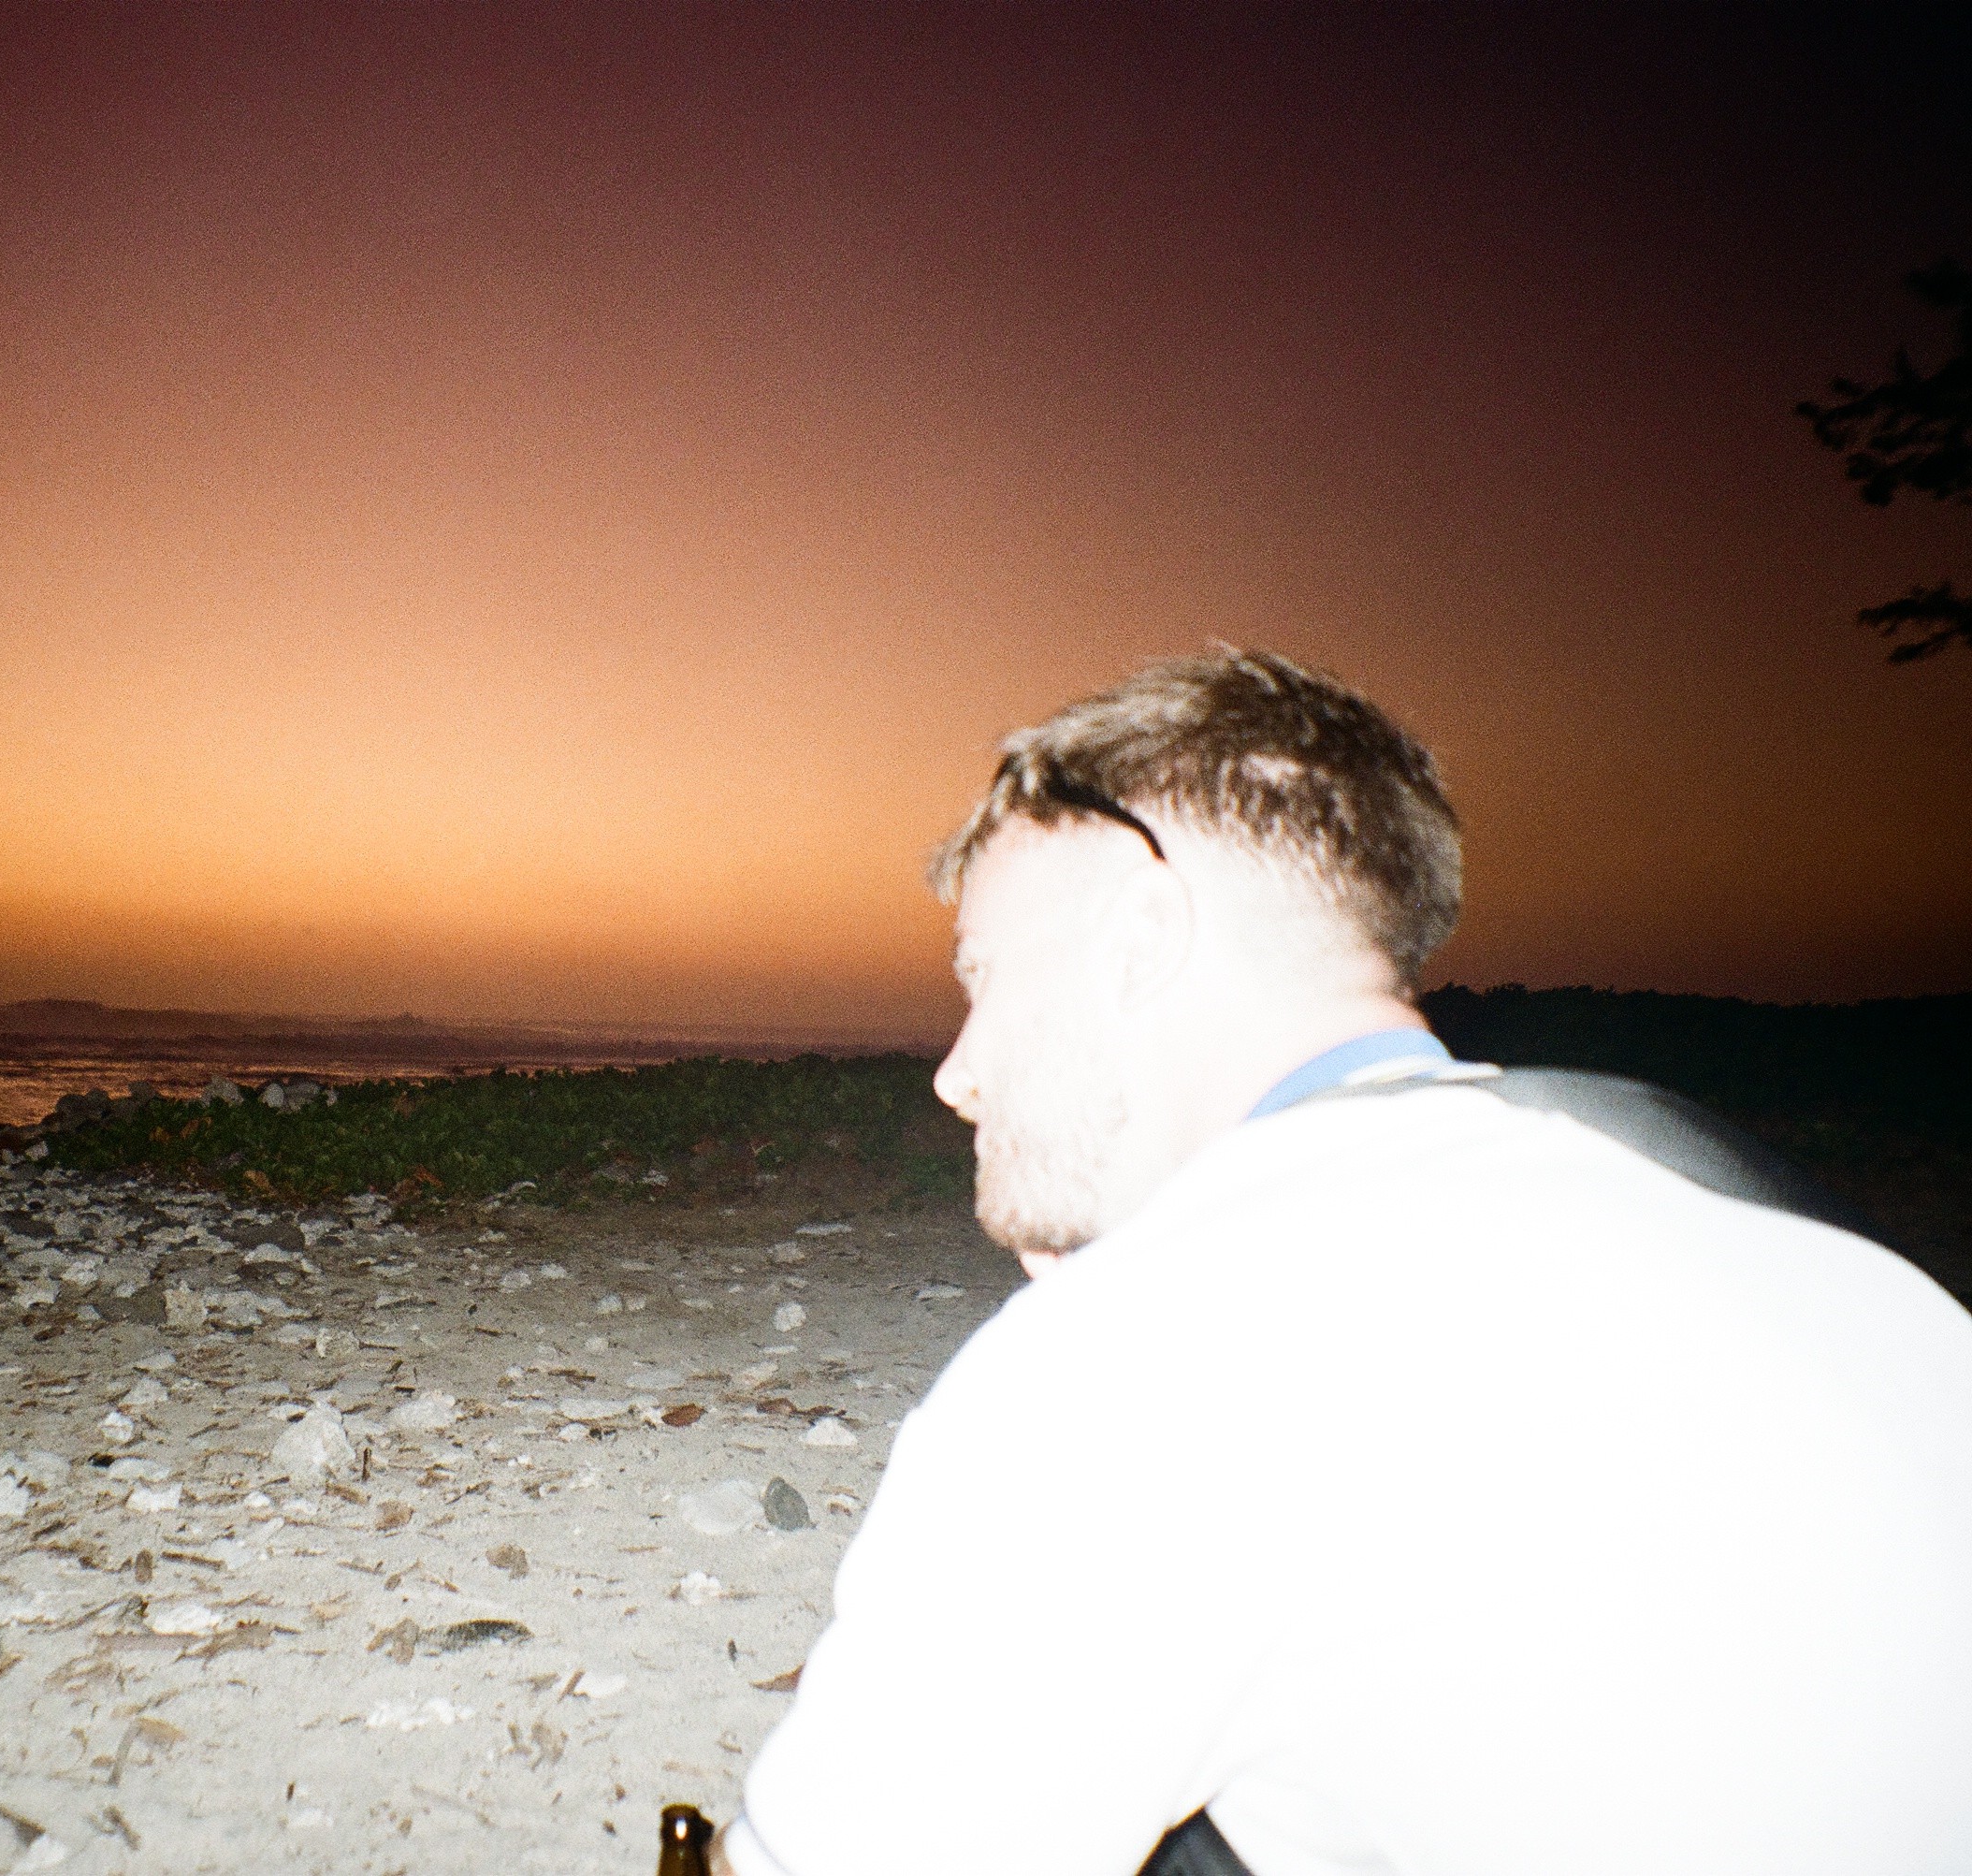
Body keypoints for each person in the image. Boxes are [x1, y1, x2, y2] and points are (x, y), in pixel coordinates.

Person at [718, 648, 1972, 1876]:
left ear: (1140, 936)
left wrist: (1104, 1322)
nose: (957, 1070)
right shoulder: (1808, 1250)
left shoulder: (1152, 1355)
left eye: (984, 977)